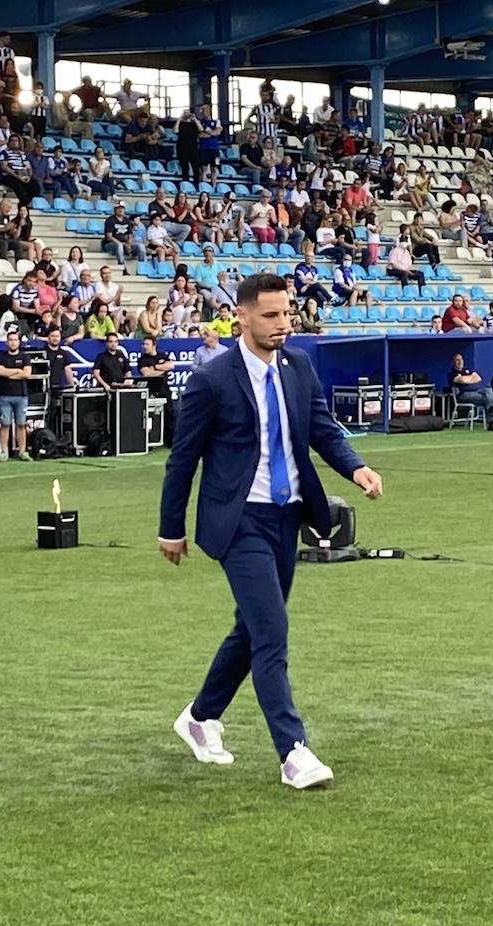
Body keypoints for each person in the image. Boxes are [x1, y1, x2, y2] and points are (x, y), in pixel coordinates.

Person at [159, 272, 383, 790]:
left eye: (287, 314)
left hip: (287, 517)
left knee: (254, 627)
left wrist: (356, 468)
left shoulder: (298, 366)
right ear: (241, 316)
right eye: (271, 315)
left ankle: (199, 716)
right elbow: (182, 460)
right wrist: (171, 528)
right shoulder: (212, 379)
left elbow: (322, 429)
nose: (283, 324)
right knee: (272, 631)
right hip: (238, 522)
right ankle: (293, 752)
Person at [0, 330, 33, 460]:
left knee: (21, 424)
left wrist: (9, 374)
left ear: (19, 342)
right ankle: (4, 452)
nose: (13, 342)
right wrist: (17, 371)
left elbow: (26, 374)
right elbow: (0, 372)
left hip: (21, 395)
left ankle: (22, 452)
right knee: (5, 424)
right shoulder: (1, 356)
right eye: (10, 340)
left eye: (15, 340)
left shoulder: (25, 357)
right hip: (5, 395)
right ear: (6, 342)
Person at [447, 353, 493, 430]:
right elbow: (463, 380)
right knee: (486, 398)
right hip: (463, 395)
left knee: (488, 389)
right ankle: (492, 420)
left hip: (477, 390)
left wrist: (466, 379)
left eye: (461, 359)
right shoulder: (451, 374)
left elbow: (478, 378)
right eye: (457, 360)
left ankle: (492, 411)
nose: (460, 362)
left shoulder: (467, 370)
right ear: (453, 362)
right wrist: (471, 378)